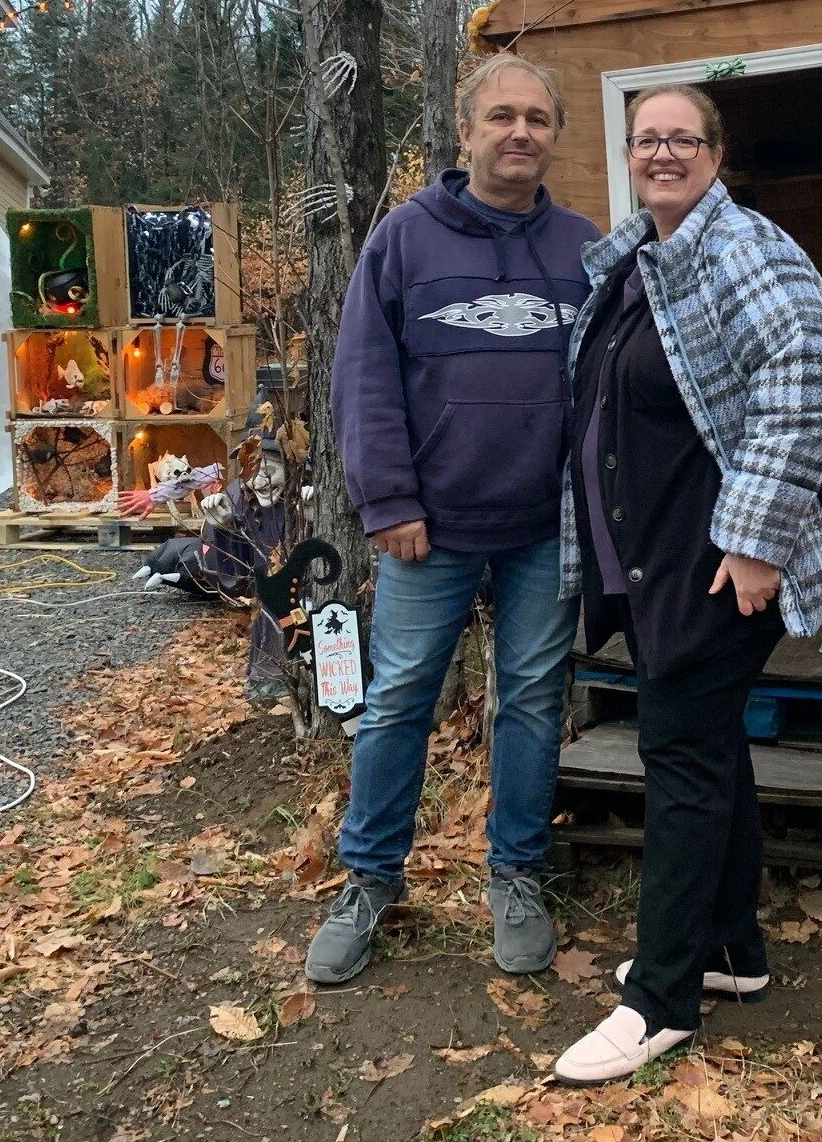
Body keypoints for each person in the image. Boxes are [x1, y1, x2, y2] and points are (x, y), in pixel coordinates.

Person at [551, 85, 822, 1084]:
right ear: (631, 154)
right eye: (648, 138)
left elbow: (807, 384)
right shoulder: (640, 259)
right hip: (666, 549)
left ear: (716, 153)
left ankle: (661, 998)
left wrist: (756, 542)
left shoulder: (743, 248)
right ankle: (728, 952)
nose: (664, 152)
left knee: (678, 754)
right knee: (706, 747)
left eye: (684, 138)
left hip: (720, 557)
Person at [306, 55, 600, 987]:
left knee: (531, 702)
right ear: (465, 131)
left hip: (544, 525)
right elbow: (363, 377)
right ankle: (370, 879)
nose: (520, 133)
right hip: (428, 527)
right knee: (397, 702)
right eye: (502, 117)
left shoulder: (585, 248)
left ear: (555, 135)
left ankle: (515, 874)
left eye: (538, 119)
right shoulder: (405, 239)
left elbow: (605, 386)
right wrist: (388, 500)